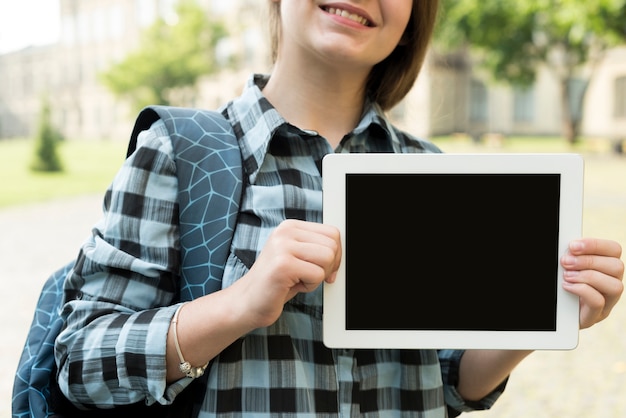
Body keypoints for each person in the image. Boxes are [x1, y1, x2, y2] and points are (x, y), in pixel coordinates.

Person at [55, 0, 624, 416]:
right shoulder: (181, 153)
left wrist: (539, 312)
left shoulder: (434, 173)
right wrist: (241, 305)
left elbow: (453, 382)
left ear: (411, 21)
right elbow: (78, 365)